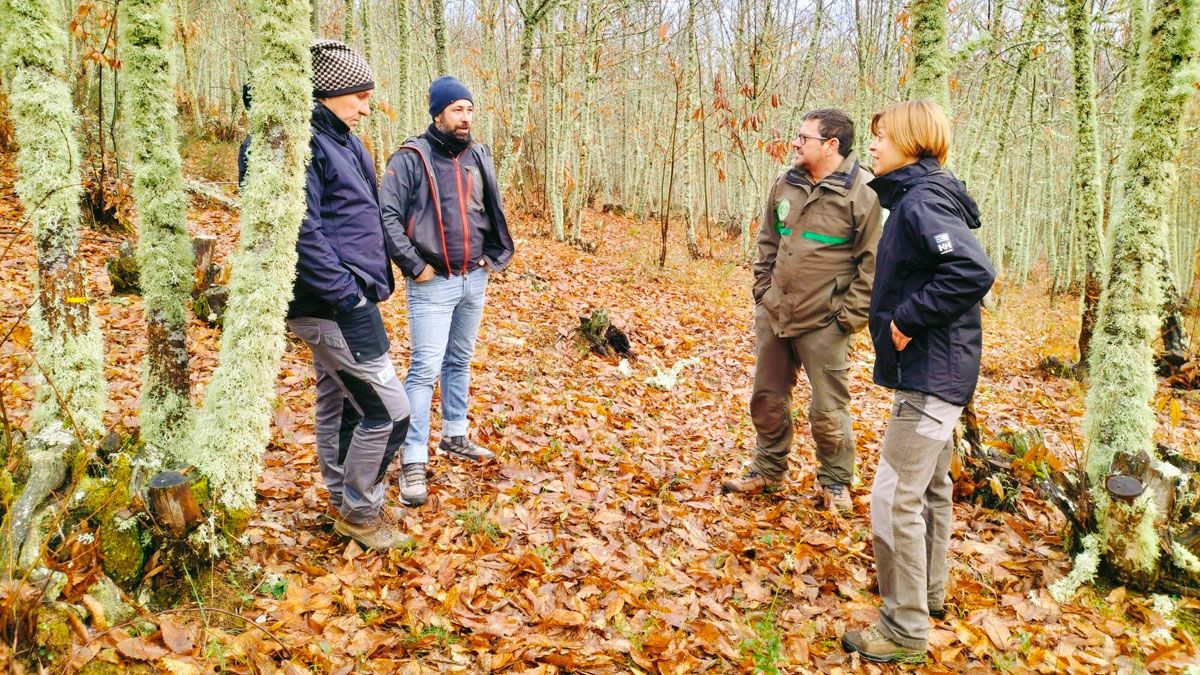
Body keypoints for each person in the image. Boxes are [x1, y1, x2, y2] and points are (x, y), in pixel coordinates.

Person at [841, 100, 995, 662]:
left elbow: (972, 270)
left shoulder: (922, 202)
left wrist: (908, 318)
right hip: (938, 372)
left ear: (910, 142)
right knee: (929, 490)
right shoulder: (916, 198)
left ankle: (904, 630)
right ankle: (926, 596)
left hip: (933, 375)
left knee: (892, 497)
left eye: (882, 137)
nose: (873, 146)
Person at [242, 40, 411, 550]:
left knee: (341, 401)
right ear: (325, 93)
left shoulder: (345, 142)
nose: (366, 107)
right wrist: (348, 296)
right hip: (331, 303)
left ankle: (342, 499)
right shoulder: (290, 142)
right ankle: (361, 513)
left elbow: (358, 216)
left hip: (350, 297)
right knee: (389, 411)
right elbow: (300, 231)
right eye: (358, 96)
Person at [722, 108, 882, 514]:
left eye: (803, 137)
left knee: (828, 410)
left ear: (831, 145)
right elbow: (768, 242)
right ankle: (768, 470)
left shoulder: (864, 192)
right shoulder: (786, 182)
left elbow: (873, 263)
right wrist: (763, 293)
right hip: (775, 315)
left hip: (825, 324)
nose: (795, 143)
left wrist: (846, 318)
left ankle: (834, 482)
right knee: (766, 397)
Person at [380, 76, 514, 508]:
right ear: (437, 112)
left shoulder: (478, 154)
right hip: (432, 284)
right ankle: (413, 459)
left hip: (474, 277)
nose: (466, 117)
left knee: (460, 360)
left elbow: (489, 209)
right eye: (457, 109)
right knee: (424, 370)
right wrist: (415, 266)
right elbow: (386, 216)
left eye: (470, 109)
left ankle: (455, 434)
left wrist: (492, 260)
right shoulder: (410, 158)